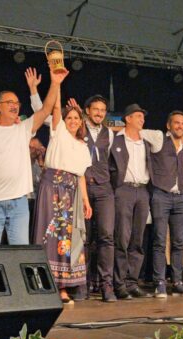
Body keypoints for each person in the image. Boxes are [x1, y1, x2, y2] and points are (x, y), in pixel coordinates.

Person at [32, 92, 115, 300]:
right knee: (48, 235)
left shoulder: (82, 146)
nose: (73, 121)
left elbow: (80, 176)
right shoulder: (57, 133)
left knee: (67, 239)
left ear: (81, 123)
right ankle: (43, 284)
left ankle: (62, 287)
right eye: (69, 118)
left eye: (76, 119)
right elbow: (56, 110)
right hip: (52, 188)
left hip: (71, 192)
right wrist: (57, 84)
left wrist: (85, 201)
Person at [0, 67, 67, 245]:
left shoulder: (23, 128)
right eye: (9, 102)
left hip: (19, 203)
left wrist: (55, 83)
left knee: (20, 253)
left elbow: (46, 109)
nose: (14, 105)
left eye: (17, 103)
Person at [140, 111, 183, 298]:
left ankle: (178, 282)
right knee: (160, 241)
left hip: (180, 196)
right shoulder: (158, 138)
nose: (180, 126)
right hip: (161, 194)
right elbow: (135, 130)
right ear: (168, 125)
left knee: (179, 242)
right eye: (176, 123)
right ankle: (160, 283)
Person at [109, 104, 153, 301]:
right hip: (124, 189)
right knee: (122, 238)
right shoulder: (116, 140)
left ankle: (132, 282)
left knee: (138, 239)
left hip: (142, 191)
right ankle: (119, 284)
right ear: (127, 118)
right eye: (138, 116)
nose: (142, 119)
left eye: (142, 116)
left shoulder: (146, 142)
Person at [28, 137, 45, 240]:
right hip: (25, 199)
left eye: (35, 148)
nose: (32, 150)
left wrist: (40, 159)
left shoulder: (38, 164)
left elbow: (43, 179)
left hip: (36, 200)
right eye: (30, 147)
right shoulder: (25, 162)